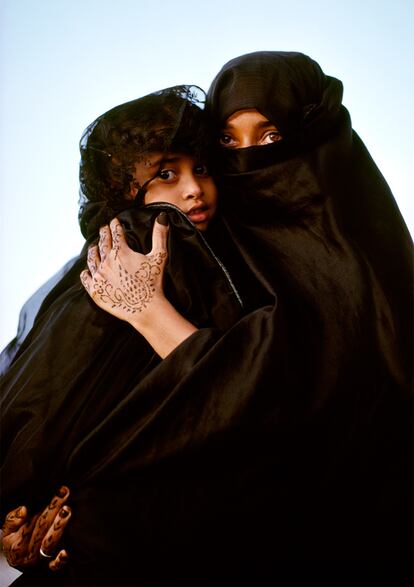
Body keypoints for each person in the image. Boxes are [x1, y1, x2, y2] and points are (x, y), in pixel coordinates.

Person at [205, 50, 413, 585]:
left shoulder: (366, 247)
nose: (248, 158)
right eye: (228, 140)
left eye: (270, 136)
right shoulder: (199, 247)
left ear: (313, 133)